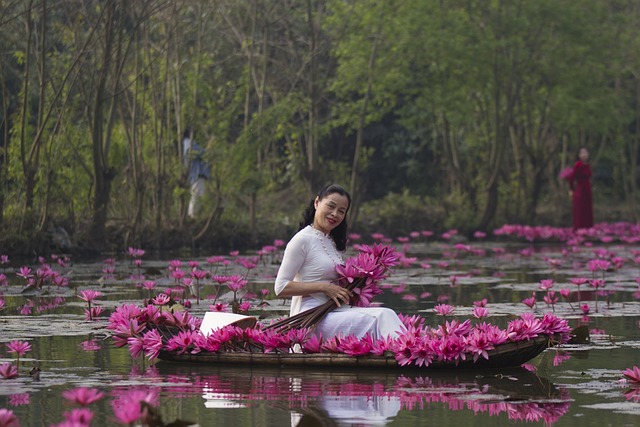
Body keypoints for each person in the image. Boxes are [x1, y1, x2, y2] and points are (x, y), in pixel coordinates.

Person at [274, 184, 405, 340]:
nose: (335, 214)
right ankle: (407, 349)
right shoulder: (301, 240)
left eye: (341, 211)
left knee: (386, 313)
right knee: (382, 316)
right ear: (317, 203)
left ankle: (407, 347)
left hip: (334, 311)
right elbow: (280, 287)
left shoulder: (331, 242)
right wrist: (324, 287)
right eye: (331, 206)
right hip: (313, 318)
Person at [182, 127, 211, 218]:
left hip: (196, 173)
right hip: (196, 172)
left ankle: (194, 215)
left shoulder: (188, 143)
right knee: (197, 195)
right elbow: (200, 153)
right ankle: (193, 216)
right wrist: (209, 148)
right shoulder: (189, 143)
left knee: (197, 194)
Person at [568, 147, 594, 230]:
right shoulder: (578, 165)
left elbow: (589, 177)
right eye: (582, 153)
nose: (584, 155)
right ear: (579, 155)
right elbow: (572, 178)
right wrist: (571, 190)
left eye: (586, 153)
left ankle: (588, 228)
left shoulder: (588, 165)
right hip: (580, 190)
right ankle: (578, 228)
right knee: (580, 210)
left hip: (587, 190)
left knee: (587, 209)